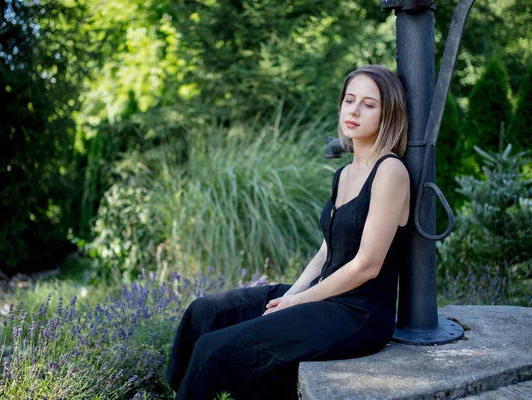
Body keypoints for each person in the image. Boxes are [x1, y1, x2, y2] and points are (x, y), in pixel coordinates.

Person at [165, 64, 411, 400]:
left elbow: (366, 265)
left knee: (214, 349)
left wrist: (297, 301)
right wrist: (290, 296)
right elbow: (327, 251)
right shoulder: (345, 173)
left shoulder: (390, 171)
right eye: (349, 100)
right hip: (324, 296)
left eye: (369, 104)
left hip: (358, 314)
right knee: (205, 312)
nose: (354, 110)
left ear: (388, 115)